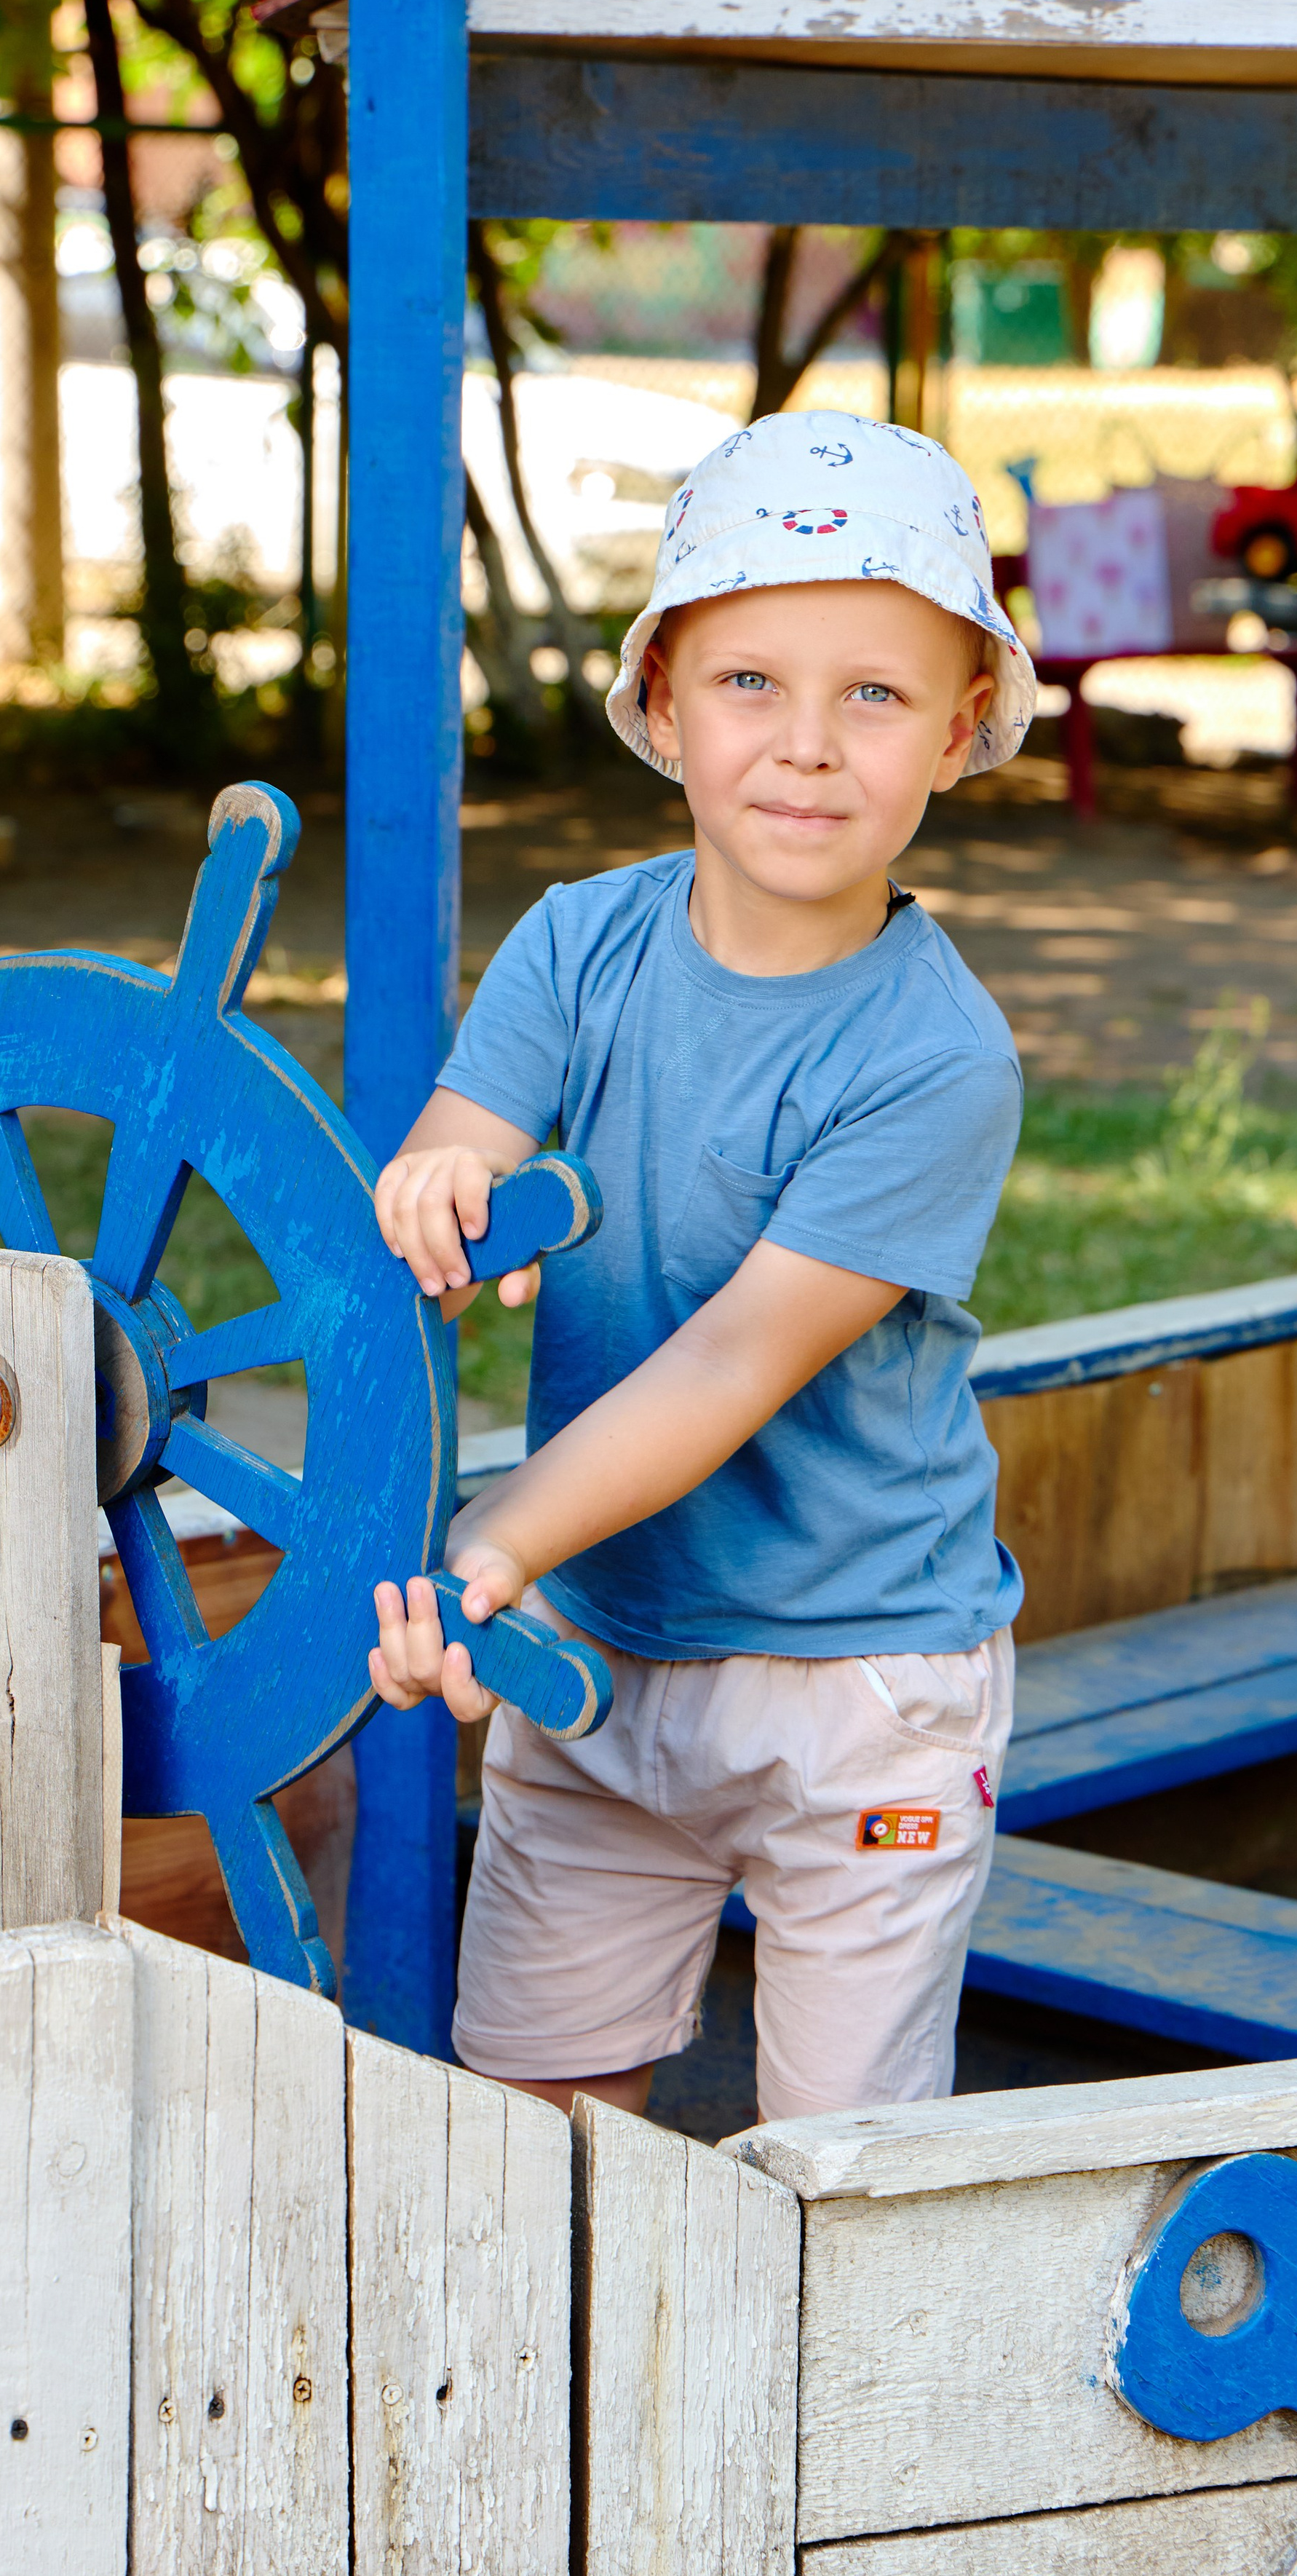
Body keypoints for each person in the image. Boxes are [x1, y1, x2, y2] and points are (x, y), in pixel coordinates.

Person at [367, 410, 1037, 2127]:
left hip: (856, 1684)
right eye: (749, 683)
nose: (804, 747)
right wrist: (443, 1180)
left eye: (872, 694)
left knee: (839, 2170)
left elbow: (733, 1361)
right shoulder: (574, 946)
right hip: (599, 1639)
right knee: (524, 2120)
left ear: (958, 726)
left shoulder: (932, 1059)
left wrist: (494, 1543)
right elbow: (462, 1143)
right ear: (662, 704)